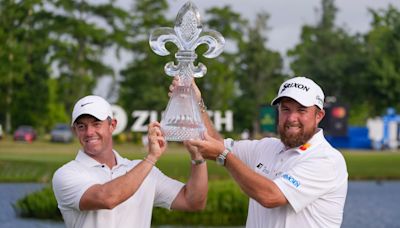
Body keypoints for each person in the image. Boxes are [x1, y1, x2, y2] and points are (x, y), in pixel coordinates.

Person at [184, 76, 348, 228]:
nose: (291, 118)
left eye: (301, 110)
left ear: (319, 115)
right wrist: (197, 102)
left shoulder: (326, 160)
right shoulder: (267, 146)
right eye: (285, 109)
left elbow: (271, 196)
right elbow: (213, 143)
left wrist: (224, 157)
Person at [52, 95, 208, 228]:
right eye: (81, 126)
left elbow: (193, 202)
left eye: (96, 124)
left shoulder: (143, 170)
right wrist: (151, 158)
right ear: (75, 131)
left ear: (112, 125)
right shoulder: (66, 174)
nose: (89, 132)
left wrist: (198, 158)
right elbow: (107, 198)